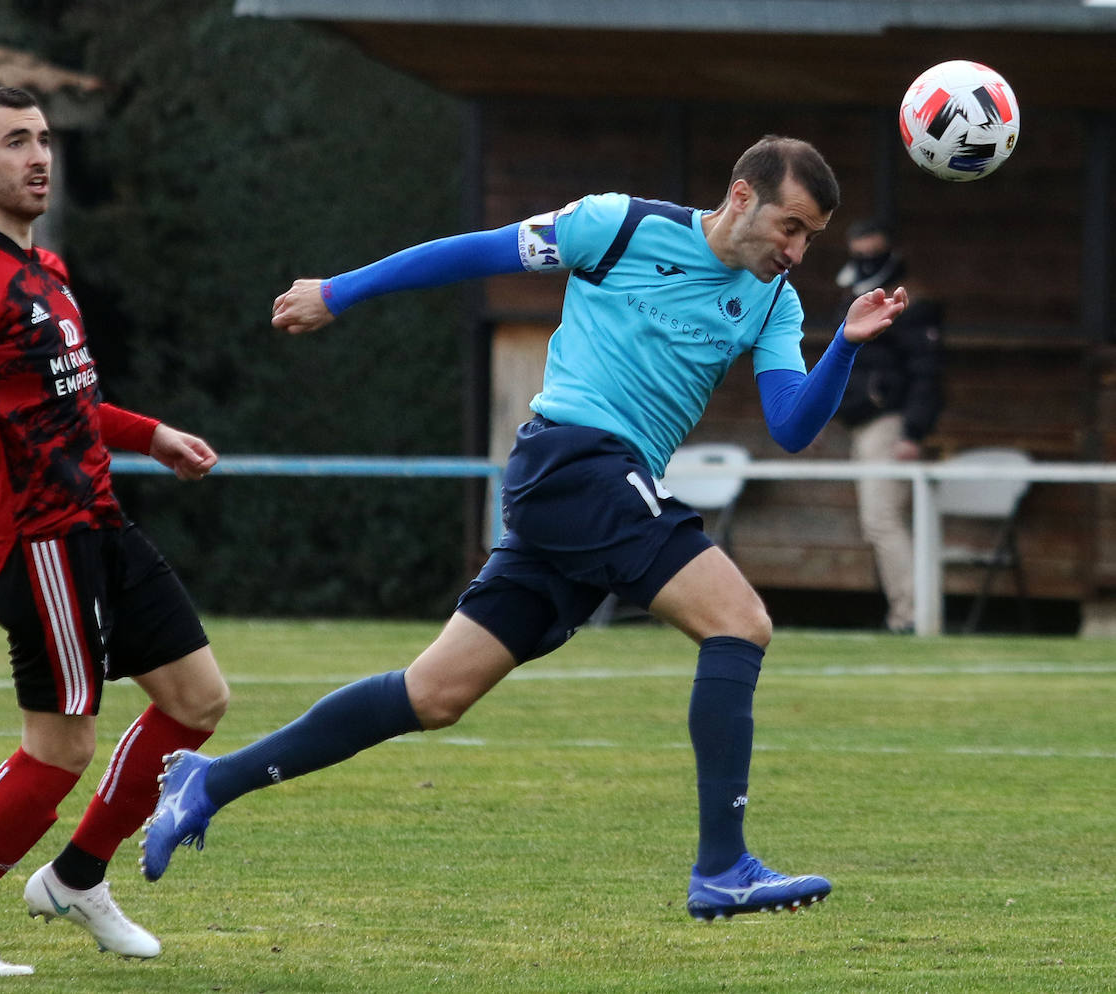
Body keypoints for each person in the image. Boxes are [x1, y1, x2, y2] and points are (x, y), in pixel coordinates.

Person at [140, 135, 907, 921]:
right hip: (576, 462)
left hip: (590, 495)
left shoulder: (776, 303)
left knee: (434, 695)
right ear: (742, 197)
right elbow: (474, 254)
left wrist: (842, 347)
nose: (798, 250)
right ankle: (722, 867)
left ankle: (209, 780)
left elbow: (789, 423)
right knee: (740, 622)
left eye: (810, 236)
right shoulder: (613, 226)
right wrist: (339, 292)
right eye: (791, 227)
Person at [0, 86, 230, 975]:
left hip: (102, 523)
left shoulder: (46, 269)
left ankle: (78, 877)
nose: (39, 156)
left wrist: (149, 433)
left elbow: (69, 406)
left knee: (197, 700)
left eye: (44, 139)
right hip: (40, 541)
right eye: (14, 142)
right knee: (62, 748)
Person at [832, 220, 944, 634]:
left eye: (872, 253)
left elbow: (926, 373)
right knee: (879, 522)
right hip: (863, 424)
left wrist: (912, 432)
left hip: (890, 425)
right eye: (858, 252)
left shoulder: (910, 302)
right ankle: (906, 612)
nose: (865, 261)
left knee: (883, 520)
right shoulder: (854, 292)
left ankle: (912, 615)